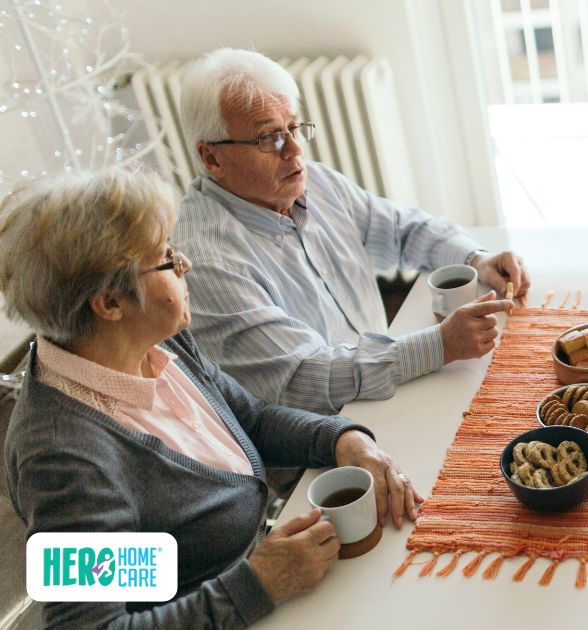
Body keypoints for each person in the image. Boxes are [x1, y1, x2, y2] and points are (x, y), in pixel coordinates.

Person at [1, 168, 423, 627]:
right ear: (110, 304)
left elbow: (251, 420)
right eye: (165, 258)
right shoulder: (64, 456)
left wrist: (343, 439)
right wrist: (256, 584)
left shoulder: (155, 341)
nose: (186, 265)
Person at [174, 48, 530, 415]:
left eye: (294, 128)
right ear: (211, 157)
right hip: (326, 440)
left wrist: (476, 259)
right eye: (269, 138)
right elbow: (304, 376)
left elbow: (401, 230)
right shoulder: (207, 262)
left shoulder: (315, 183)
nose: (295, 152)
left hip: (383, 384)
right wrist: (438, 345)